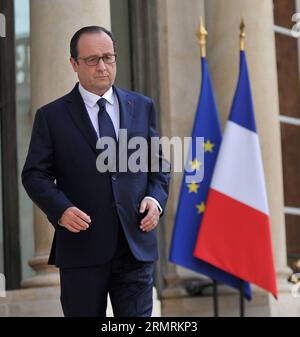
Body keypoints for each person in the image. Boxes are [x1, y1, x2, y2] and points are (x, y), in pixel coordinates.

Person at [22, 26, 170, 317]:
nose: (102, 66)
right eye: (92, 60)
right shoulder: (51, 117)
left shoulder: (141, 106)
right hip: (82, 249)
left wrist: (155, 200)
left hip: (135, 246)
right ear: (74, 64)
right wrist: (61, 210)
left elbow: (158, 165)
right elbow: (34, 175)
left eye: (108, 57)